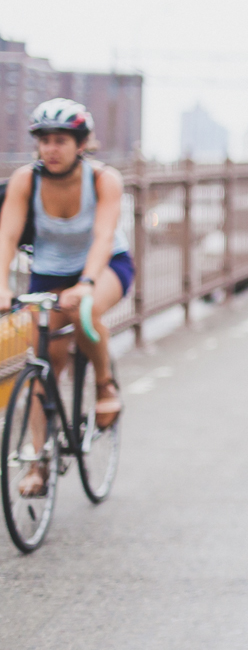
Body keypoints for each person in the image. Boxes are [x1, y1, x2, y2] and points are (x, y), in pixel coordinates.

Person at [0, 98, 135, 496]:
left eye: (61, 140)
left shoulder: (103, 180)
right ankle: (38, 463)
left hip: (105, 266)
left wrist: (87, 284)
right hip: (49, 272)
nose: (51, 149)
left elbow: (103, 237)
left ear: (81, 144)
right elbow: (7, 236)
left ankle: (105, 385)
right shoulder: (27, 179)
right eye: (44, 141)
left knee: (86, 315)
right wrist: (2, 284)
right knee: (42, 362)